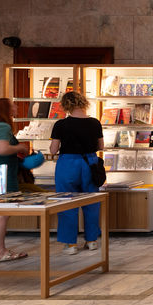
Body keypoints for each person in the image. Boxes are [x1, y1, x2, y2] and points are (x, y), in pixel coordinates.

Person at [49, 91, 104, 254]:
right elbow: (100, 146)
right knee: (92, 202)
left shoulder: (61, 125)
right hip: (90, 163)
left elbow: (53, 149)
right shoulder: (95, 123)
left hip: (68, 164)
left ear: (66, 105)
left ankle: (70, 244)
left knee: (67, 202)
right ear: (83, 103)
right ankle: (92, 240)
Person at [0, 97, 30, 262]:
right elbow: (2, 149)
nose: (15, 107)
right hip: (3, 175)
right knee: (3, 213)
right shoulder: (2, 126)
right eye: (12, 105)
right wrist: (20, 147)